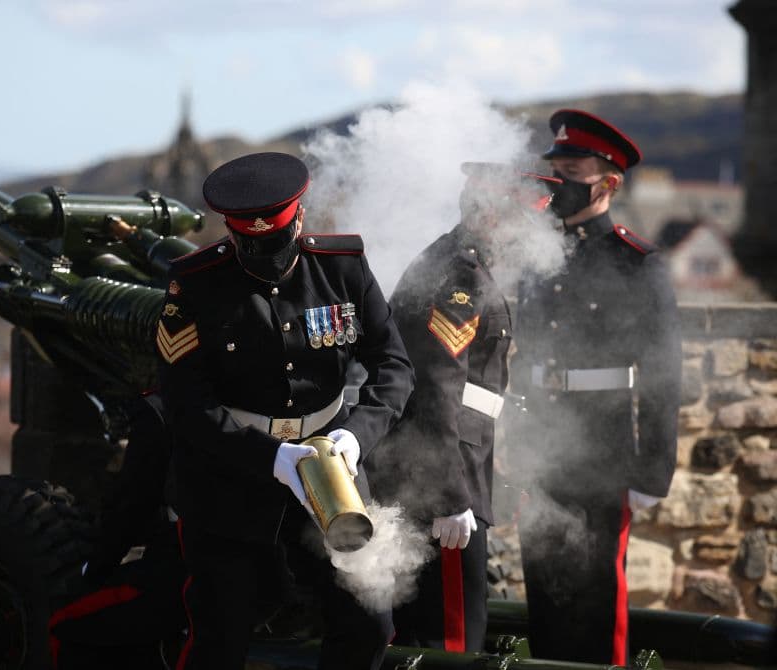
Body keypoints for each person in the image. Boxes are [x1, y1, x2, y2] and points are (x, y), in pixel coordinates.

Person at [156, 151, 414, 670]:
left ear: (299, 219)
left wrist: (356, 436)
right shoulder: (195, 286)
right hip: (231, 481)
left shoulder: (342, 267)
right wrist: (270, 458)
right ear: (231, 234)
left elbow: (393, 366)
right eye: (249, 245)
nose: (265, 256)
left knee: (369, 621)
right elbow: (186, 404)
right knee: (219, 637)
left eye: (274, 241)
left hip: (332, 472)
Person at [508, 109, 682, 665]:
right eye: (554, 167)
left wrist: (651, 470)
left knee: (596, 601)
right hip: (542, 450)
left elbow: (661, 373)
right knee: (544, 598)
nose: (559, 180)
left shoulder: (635, 262)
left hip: (603, 454)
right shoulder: (540, 257)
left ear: (608, 181)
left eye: (573, 168)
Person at [373, 163, 558, 653]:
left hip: (455, 471)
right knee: (451, 641)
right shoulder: (461, 275)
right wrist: (449, 495)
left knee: (433, 636)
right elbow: (436, 388)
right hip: (442, 483)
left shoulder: (467, 266)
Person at [49, 391, 187, 669]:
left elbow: (132, 506)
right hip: (263, 577)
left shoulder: (164, 409)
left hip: (188, 570)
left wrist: (95, 569)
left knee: (62, 625)